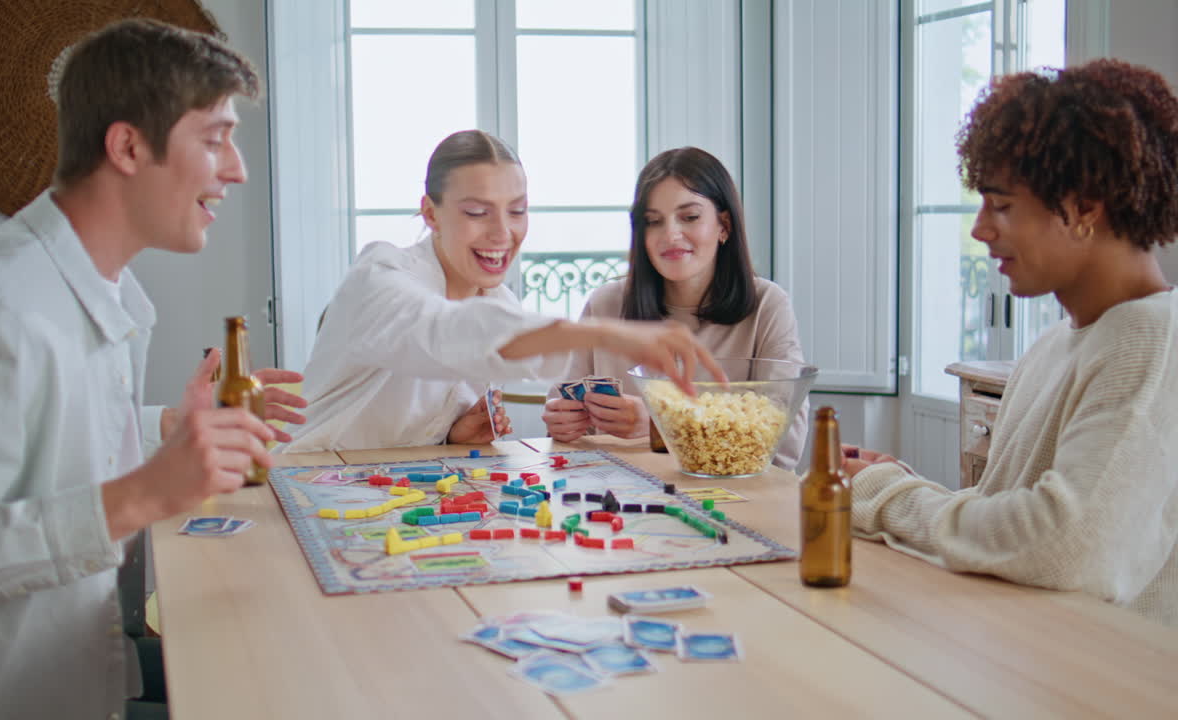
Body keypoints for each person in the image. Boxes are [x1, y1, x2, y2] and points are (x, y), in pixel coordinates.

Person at [0, 19, 306, 719]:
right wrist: (141, 496)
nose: (236, 168)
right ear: (126, 145)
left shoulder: (100, 289)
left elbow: (36, 445)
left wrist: (173, 428)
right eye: (214, 140)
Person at [845, 59, 1178, 626]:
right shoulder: (1056, 345)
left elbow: (1063, 546)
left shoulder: (1150, 339)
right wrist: (905, 483)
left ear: (1083, 209)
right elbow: (1011, 524)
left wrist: (885, 497)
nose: (980, 229)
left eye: (1001, 205)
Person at [281, 130, 724, 452]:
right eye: (477, 212)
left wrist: (450, 434)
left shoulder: (496, 300)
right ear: (430, 214)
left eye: (517, 211)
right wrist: (606, 334)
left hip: (390, 499)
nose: (502, 233)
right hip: (304, 482)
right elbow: (446, 332)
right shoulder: (379, 275)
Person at [541, 147, 808, 470]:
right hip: (619, 501)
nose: (670, 235)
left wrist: (659, 427)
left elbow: (783, 441)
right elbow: (561, 413)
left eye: (690, 217)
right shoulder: (604, 305)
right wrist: (561, 423)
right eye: (653, 222)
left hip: (736, 501)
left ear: (724, 225)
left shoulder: (768, 305)